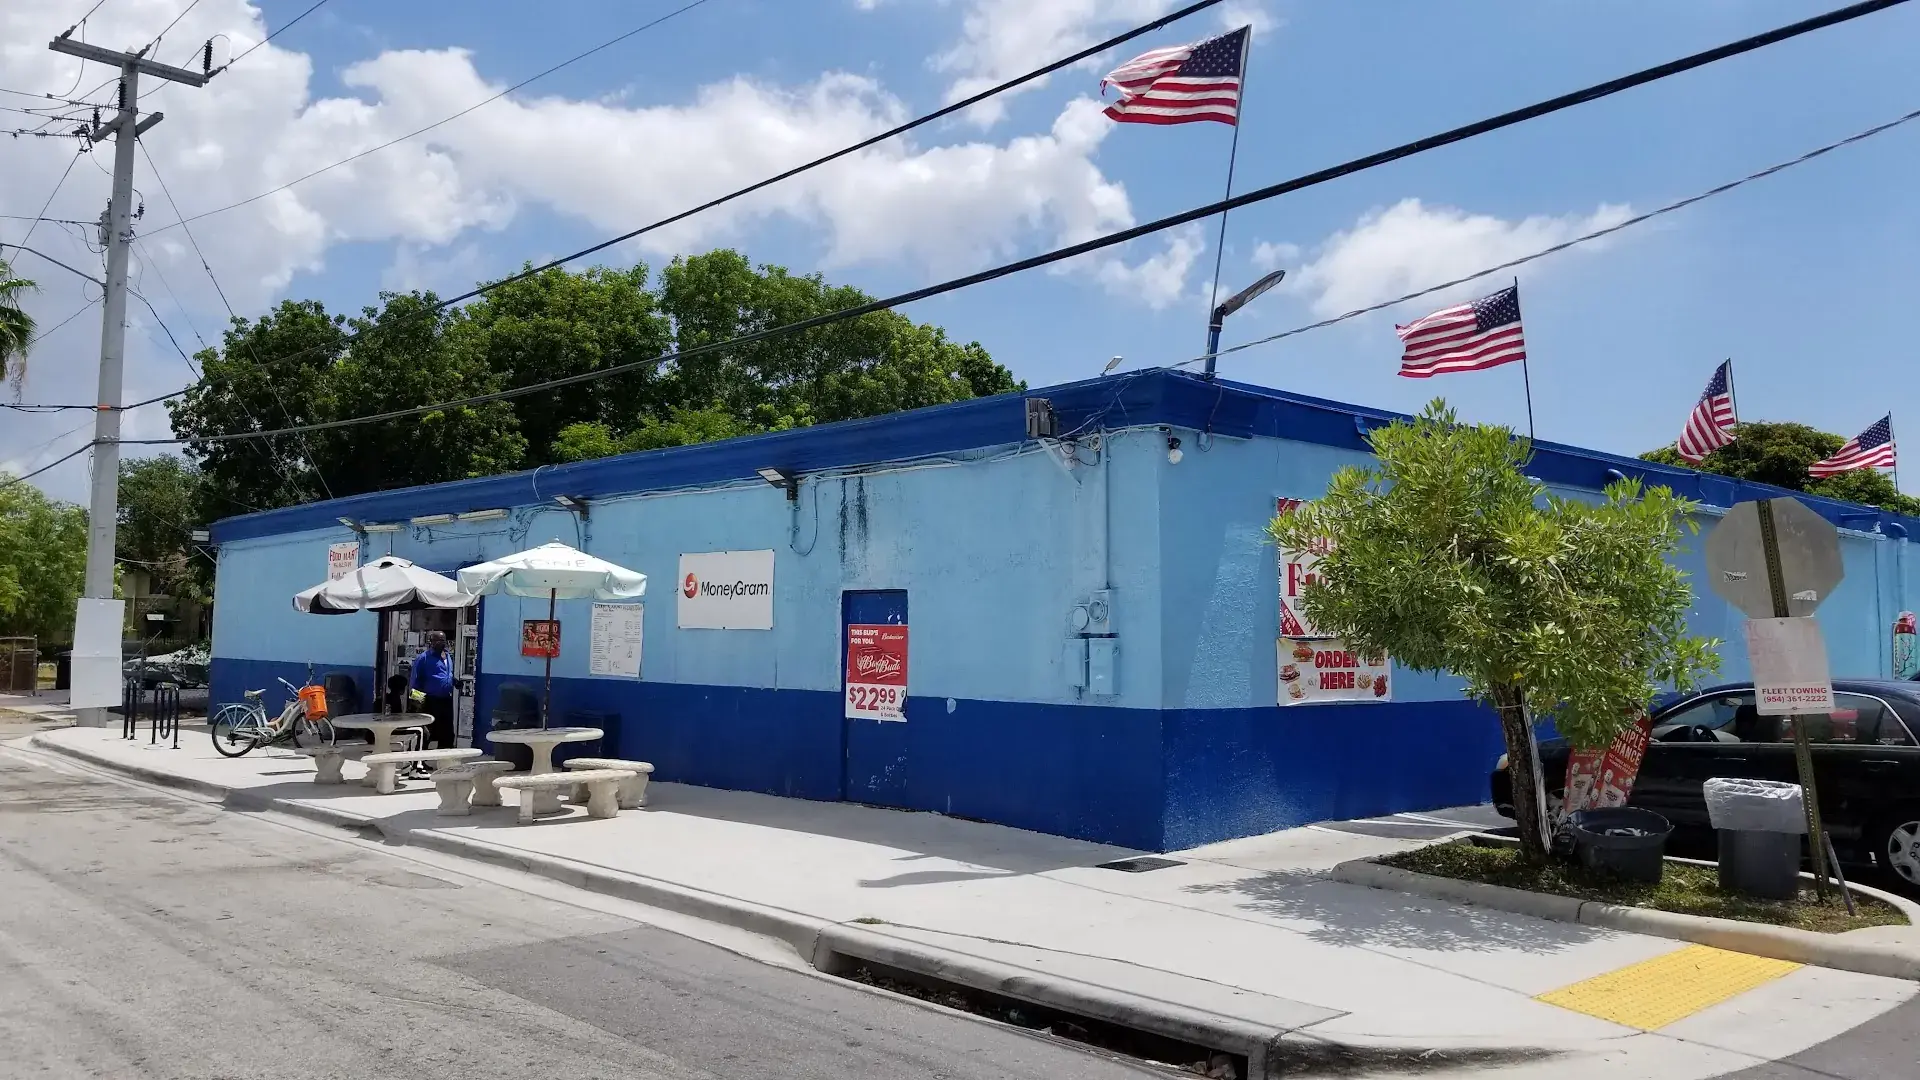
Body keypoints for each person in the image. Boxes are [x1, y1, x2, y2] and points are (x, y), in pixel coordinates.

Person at [409, 630, 457, 751]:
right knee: (427, 733)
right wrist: (416, 703)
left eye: (443, 640)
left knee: (447, 732)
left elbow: (446, 675)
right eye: (438, 640)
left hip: (446, 699)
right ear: (431, 642)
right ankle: (419, 762)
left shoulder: (448, 656)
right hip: (430, 700)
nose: (441, 643)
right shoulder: (424, 658)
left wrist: (455, 682)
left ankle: (444, 761)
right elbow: (415, 680)